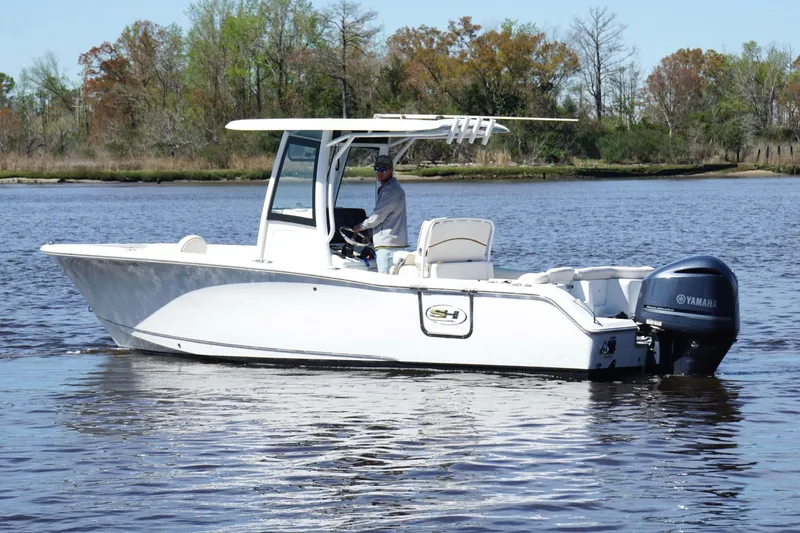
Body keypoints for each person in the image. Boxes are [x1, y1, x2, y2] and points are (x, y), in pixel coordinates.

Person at [353, 154, 408, 273]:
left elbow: (377, 217)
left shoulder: (390, 190)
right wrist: (370, 234)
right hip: (390, 244)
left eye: (383, 169)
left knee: (387, 282)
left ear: (391, 170)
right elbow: (384, 218)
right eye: (377, 169)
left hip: (388, 246)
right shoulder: (389, 188)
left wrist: (360, 226)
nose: (379, 172)